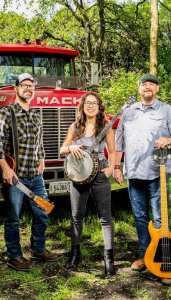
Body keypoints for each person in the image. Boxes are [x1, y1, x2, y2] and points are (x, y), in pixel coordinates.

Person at [113, 74, 171, 286]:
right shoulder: (128, 112)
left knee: (160, 218)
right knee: (139, 217)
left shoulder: (167, 111)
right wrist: (117, 167)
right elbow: (119, 144)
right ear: (139, 89)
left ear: (157, 89)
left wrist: (170, 140)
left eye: (151, 84)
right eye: (144, 84)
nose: (147, 87)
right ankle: (145, 256)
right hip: (133, 173)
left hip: (158, 173)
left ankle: (166, 259)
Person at [0, 73, 60, 272]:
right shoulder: (6, 112)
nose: (28, 88)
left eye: (31, 85)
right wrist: (6, 169)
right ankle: (14, 256)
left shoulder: (36, 113)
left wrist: (42, 160)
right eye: (24, 85)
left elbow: (39, 141)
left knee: (43, 210)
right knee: (13, 218)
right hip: (15, 177)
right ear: (16, 88)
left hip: (35, 176)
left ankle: (38, 249)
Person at [60, 92, 116, 276]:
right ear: (82, 106)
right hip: (78, 177)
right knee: (77, 216)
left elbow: (113, 151)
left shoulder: (105, 127)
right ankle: (75, 254)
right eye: (87, 103)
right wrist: (71, 147)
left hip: (100, 173)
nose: (90, 106)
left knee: (105, 217)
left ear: (99, 107)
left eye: (94, 103)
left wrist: (111, 168)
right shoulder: (75, 127)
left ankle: (109, 260)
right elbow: (62, 150)